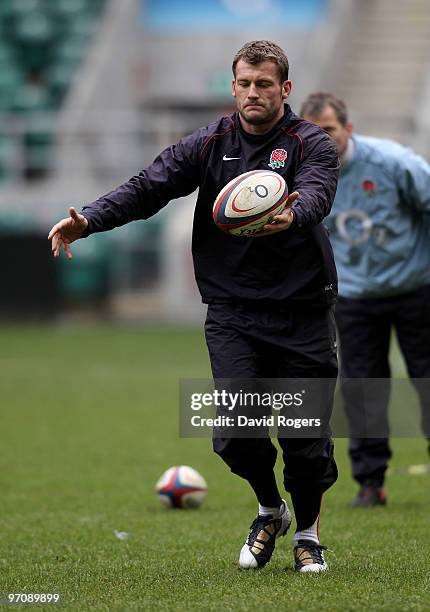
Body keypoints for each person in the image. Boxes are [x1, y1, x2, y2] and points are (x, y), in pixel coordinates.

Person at [49, 41, 340, 572]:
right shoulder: (209, 143)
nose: (254, 93)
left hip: (302, 310)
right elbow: (148, 187)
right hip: (233, 311)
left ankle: (308, 534)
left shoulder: (310, 142)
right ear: (233, 87)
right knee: (233, 434)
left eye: (265, 84)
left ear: (285, 89)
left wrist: (292, 218)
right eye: (245, 84)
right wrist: (89, 219)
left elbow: (318, 193)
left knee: (305, 441)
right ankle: (268, 508)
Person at [300, 91, 430, 507]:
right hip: (354, 298)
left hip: (415, 289)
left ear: (348, 129)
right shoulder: (300, 175)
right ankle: (371, 482)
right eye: (312, 131)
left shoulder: (395, 164)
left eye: (329, 130)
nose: (321, 139)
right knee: (362, 390)